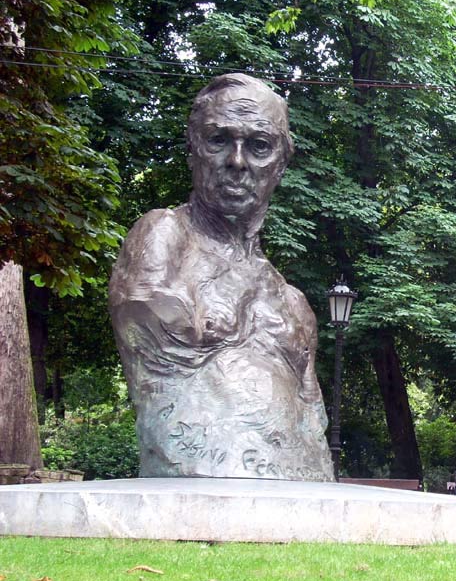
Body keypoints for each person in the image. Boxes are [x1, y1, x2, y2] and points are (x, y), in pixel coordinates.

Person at [109, 74, 334, 482]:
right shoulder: (162, 238)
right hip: (195, 473)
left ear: (281, 164)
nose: (237, 162)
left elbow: (311, 415)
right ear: (192, 149)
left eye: (259, 146)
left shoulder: (292, 302)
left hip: (299, 480)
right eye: (218, 140)